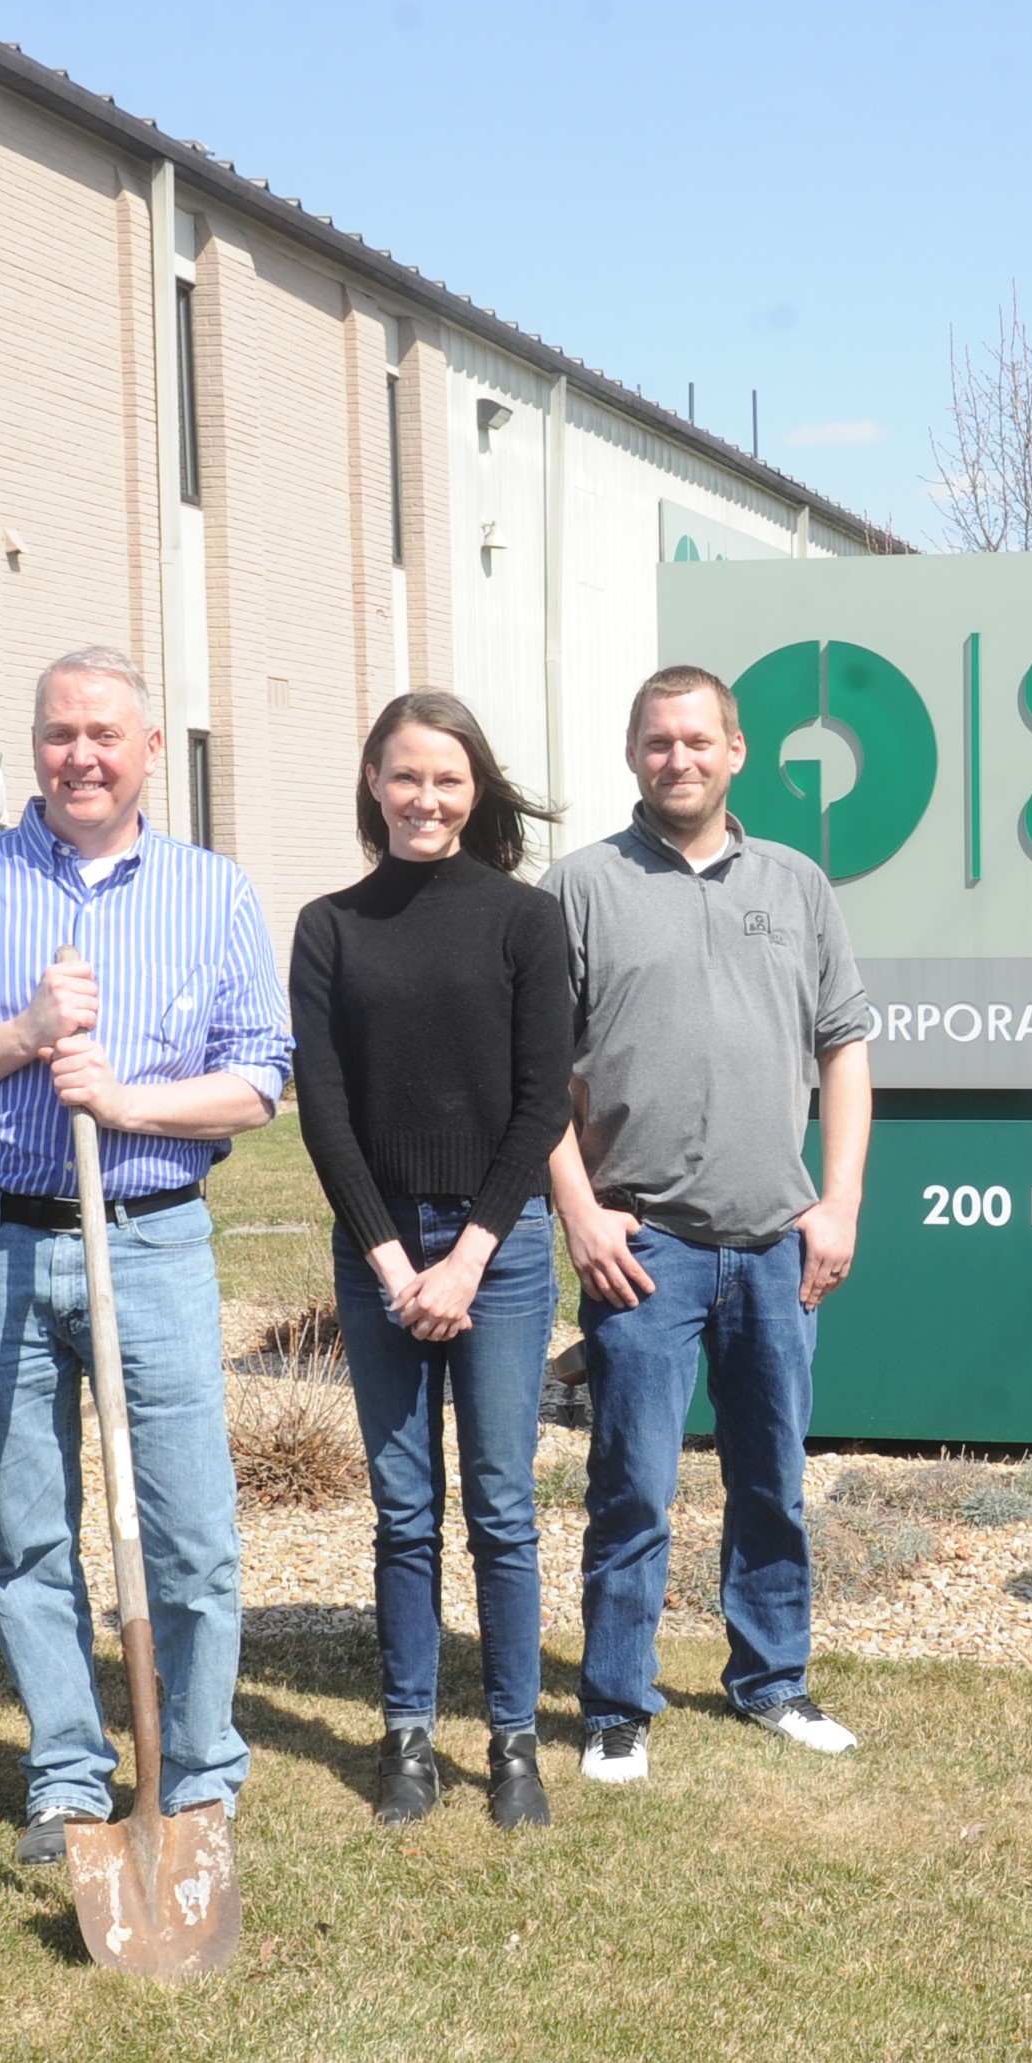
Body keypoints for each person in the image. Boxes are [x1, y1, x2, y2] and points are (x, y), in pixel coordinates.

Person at [0, 648, 289, 1864]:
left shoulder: (212, 895)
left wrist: (133, 1103)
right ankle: (65, 1774)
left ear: (152, 751)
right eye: (59, 735)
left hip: (150, 1241)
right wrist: (23, 1034)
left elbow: (262, 1078)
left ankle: (198, 1773)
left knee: (190, 1527)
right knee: (28, 1530)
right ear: (32, 749)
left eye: (106, 734)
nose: (81, 756)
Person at [545, 664, 874, 1784]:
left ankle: (771, 1681)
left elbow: (843, 1047)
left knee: (771, 1478)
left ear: (736, 751)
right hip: (646, 1249)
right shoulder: (580, 887)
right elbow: (534, 1077)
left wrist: (839, 1205)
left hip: (776, 1240)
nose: (675, 758)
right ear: (631, 754)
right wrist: (579, 1213)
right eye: (655, 742)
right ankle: (613, 1705)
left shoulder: (794, 883)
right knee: (632, 1481)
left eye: (696, 740)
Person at [290, 691, 573, 1831]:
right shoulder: (330, 926)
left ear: (476, 789)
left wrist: (466, 1261)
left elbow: (540, 1099)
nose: (426, 798)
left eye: (448, 779)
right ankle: (408, 1735)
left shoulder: (522, 920)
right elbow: (324, 1112)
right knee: (403, 1509)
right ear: (372, 783)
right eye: (406, 777)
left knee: (500, 1506)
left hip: (496, 1255)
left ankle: (512, 1743)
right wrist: (395, 1260)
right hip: (380, 1252)